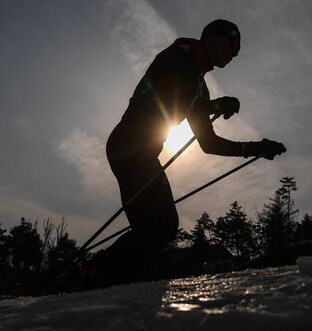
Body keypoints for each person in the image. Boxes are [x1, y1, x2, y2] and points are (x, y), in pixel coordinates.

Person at [94, 19, 286, 285]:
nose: (236, 52)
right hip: (130, 145)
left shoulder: (200, 88)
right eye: (233, 42)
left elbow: (208, 143)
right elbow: (172, 94)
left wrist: (255, 148)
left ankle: (99, 279)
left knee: (157, 231)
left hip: (141, 153)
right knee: (161, 227)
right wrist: (212, 105)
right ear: (213, 38)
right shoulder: (182, 52)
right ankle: (96, 275)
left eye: (238, 47)